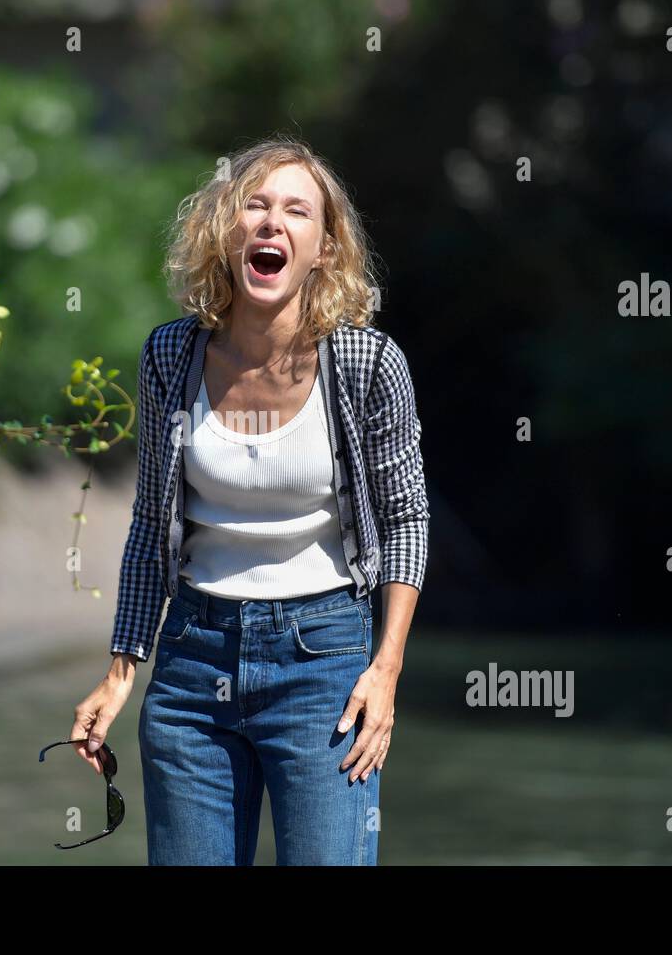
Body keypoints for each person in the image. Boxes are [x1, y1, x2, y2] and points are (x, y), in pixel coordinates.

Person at [70, 135, 429, 865]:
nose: (272, 222)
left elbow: (406, 521)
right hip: (192, 666)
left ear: (324, 248)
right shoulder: (171, 355)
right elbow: (149, 527)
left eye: (297, 211)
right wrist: (119, 673)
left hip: (325, 666)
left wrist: (385, 669)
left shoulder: (366, 363)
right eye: (255, 206)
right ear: (226, 233)